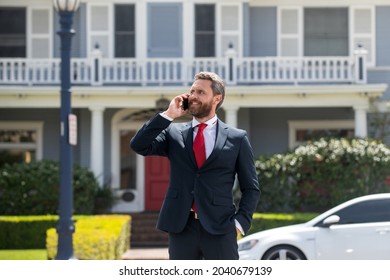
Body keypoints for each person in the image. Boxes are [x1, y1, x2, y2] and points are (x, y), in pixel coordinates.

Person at [130, 71, 260, 260]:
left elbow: (251, 188)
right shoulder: (173, 133)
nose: (193, 96)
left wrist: (240, 223)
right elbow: (138, 145)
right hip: (182, 227)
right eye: (192, 91)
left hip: (221, 227)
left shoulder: (237, 138)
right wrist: (168, 115)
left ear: (217, 98)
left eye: (201, 92)